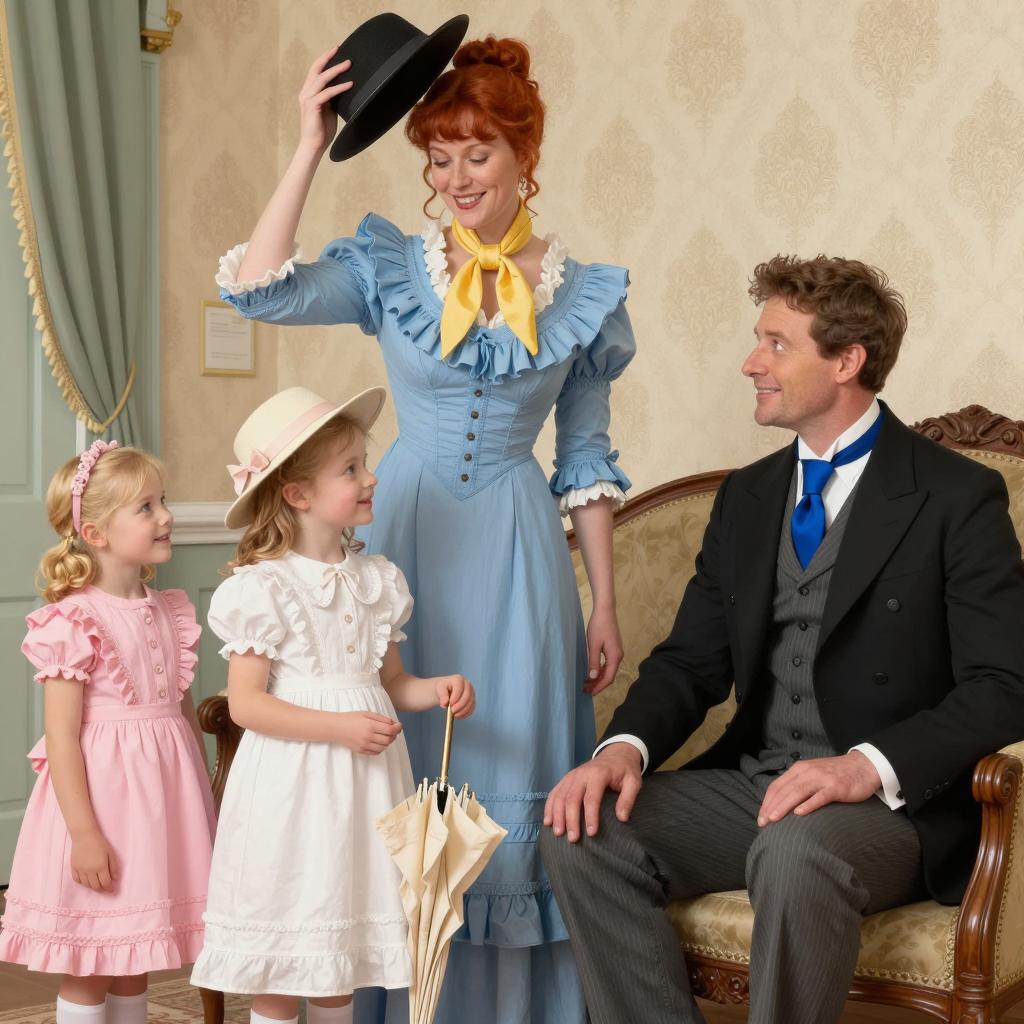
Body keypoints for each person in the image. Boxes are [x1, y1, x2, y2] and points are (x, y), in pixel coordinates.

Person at [214, 31, 634, 1024]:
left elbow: (584, 459)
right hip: (399, 536)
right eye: (438, 160)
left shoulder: (582, 295)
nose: (456, 180)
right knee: (386, 768)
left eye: (477, 155)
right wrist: (309, 143)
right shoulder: (392, 270)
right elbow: (255, 289)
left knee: (507, 765)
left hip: (520, 554)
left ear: (526, 156)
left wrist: (603, 602)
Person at [540, 255, 1024, 1024]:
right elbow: (691, 662)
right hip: (757, 785)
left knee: (797, 851)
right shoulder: (749, 495)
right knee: (582, 833)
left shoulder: (956, 496)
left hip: (892, 809)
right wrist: (621, 750)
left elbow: (1003, 687)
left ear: (846, 361)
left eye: (775, 344)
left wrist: (865, 767)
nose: (750, 363)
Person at [188, 386, 476, 1024]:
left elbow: (392, 683)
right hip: (293, 789)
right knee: (283, 957)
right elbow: (247, 706)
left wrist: (436, 690)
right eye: (351, 469)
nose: (371, 477)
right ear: (298, 493)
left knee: (337, 961)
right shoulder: (263, 587)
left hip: (365, 787)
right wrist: (337, 726)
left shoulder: (379, 581)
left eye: (363, 463)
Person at [0, 441, 216, 1024]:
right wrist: (84, 834)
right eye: (146, 507)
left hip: (162, 810)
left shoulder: (168, 610)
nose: (166, 516)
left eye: (163, 501)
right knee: (91, 957)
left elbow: (181, 716)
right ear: (95, 533)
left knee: (135, 952)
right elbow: (61, 738)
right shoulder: (73, 620)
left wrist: (203, 801)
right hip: (102, 808)